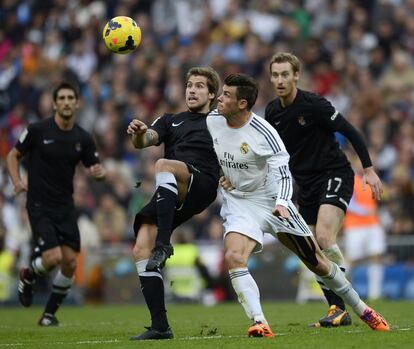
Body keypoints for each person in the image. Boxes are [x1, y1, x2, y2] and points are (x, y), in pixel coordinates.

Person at [207, 73, 389, 337]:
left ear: (242, 103)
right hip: (239, 203)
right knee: (234, 256)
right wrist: (218, 172)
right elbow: (208, 149)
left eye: (225, 95)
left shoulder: (264, 132)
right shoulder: (213, 120)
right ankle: (259, 321)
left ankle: (363, 309)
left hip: (271, 202)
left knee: (318, 261)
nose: (219, 99)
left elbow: (282, 172)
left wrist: (282, 202)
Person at [264, 52, 383, 327]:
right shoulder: (272, 112)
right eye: (275, 75)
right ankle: (337, 309)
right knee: (312, 250)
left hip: (334, 174)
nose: (280, 80)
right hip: (305, 184)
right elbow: (270, 151)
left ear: (296, 76)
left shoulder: (314, 104)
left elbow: (351, 131)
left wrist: (367, 169)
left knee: (324, 238)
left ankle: (344, 302)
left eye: (285, 74)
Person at [127, 67, 220, 340]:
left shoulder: (220, 121)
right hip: (172, 186)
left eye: (200, 86)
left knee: (163, 164)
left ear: (212, 94)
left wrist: (232, 176)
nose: (192, 90)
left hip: (201, 182)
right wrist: (137, 132)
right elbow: (145, 141)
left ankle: (165, 244)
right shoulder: (170, 120)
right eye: (189, 85)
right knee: (140, 248)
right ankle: (160, 326)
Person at [6, 81, 106, 326]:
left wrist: (99, 173)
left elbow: (95, 168)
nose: (66, 102)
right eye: (61, 98)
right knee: (52, 258)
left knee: (70, 262)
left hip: (65, 206)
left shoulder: (83, 137)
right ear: (54, 104)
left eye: (70, 98)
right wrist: (17, 181)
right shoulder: (38, 130)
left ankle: (48, 315)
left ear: (77, 103)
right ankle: (28, 275)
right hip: (39, 204)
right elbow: (13, 155)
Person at [343, 152, 386, 300]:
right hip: (355, 226)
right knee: (352, 260)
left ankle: (375, 294)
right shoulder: (350, 180)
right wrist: (365, 211)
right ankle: (341, 291)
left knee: (376, 256)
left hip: (373, 224)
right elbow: (349, 204)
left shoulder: (371, 180)